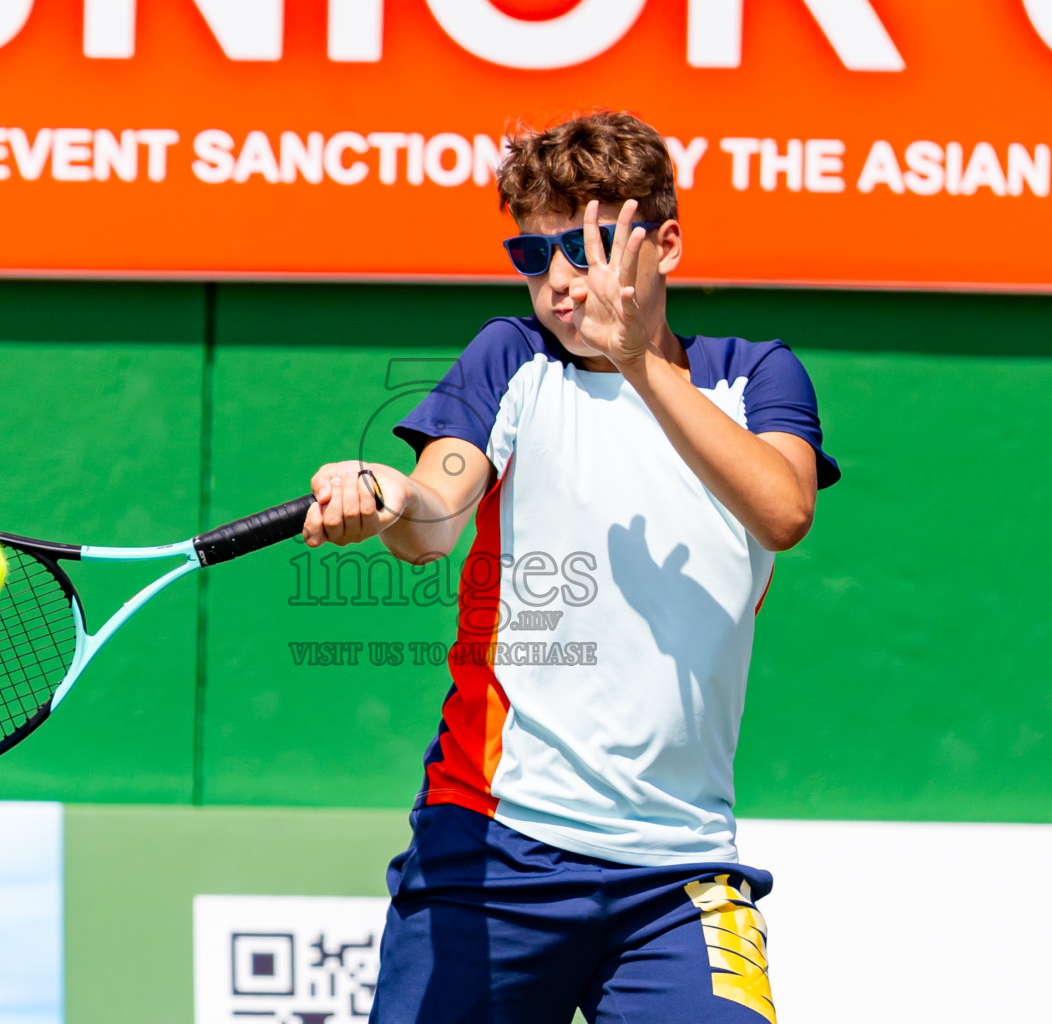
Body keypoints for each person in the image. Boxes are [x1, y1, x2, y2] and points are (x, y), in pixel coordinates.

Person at [301, 111, 839, 1024]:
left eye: (584, 249)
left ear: (664, 244)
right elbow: (439, 506)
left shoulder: (755, 378)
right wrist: (389, 495)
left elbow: (784, 511)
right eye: (532, 253)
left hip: (682, 873)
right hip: (491, 851)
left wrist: (638, 363)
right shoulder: (510, 361)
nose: (557, 280)